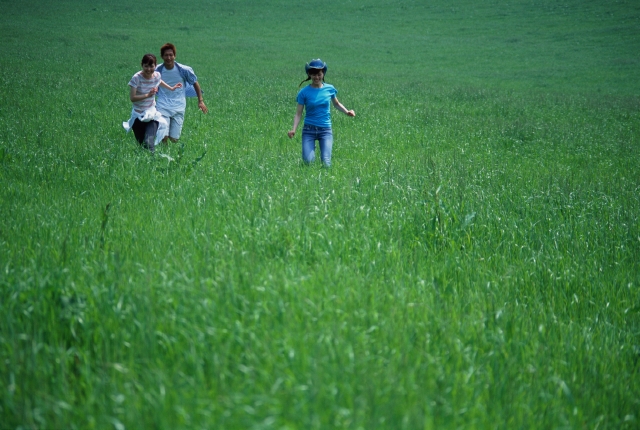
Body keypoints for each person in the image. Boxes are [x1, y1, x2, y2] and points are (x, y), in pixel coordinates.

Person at [287, 59, 355, 167]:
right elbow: (298, 113)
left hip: (325, 130)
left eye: (319, 74)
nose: (316, 77)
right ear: (309, 75)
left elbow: (336, 104)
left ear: (323, 74)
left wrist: (347, 112)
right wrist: (293, 129)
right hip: (309, 130)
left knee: (326, 163)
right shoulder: (303, 92)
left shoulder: (329, 89)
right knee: (308, 162)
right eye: (313, 74)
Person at [123, 53, 182, 152]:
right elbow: (132, 98)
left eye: (151, 66)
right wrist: (148, 95)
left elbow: (159, 81)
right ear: (142, 65)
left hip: (152, 115)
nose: (149, 69)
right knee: (141, 145)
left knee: (148, 142)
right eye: (146, 66)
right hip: (138, 116)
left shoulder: (157, 75)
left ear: (155, 65)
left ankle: (153, 162)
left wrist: (171, 88)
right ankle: (144, 165)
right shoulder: (136, 78)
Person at [155, 43, 208, 144]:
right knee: (163, 136)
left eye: (171, 55)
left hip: (179, 106)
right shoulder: (157, 70)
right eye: (166, 55)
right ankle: (164, 155)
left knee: (174, 139)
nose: (169, 57)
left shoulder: (184, 70)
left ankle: (170, 153)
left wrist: (200, 101)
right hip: (162, 105)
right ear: (162, 56)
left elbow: (195, 83)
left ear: (174, 56)